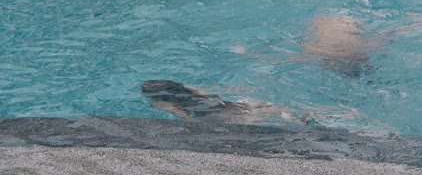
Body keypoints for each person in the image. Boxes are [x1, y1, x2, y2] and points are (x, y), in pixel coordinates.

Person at [235, 12, 422, 77]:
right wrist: (417, 23)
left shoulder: (311, 41)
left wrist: (248, 52)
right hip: (352, 57)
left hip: (329, 57)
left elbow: (280, 57)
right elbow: (389, 34)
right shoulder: (362, 45)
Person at [141, 80, 379, 127]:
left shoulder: (168, 106)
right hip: (246, 105)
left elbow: (182, 114)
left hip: (236, 119)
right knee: (297, 116)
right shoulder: (197, 91)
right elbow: (199, 90)